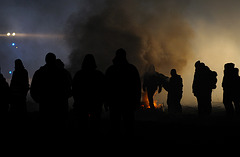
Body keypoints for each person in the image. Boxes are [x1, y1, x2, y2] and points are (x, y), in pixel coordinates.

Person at [105, 48, 141, 137]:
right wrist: (137, 100)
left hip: (115, 101)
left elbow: (106, 86)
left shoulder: (111, 69)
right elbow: (137, 86)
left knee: (115, 124)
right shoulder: (132, 69)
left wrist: (106, 101)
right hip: (128, 101)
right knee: (128, 125)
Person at [30, 53, 72, 128]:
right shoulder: (63, 72)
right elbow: (71, 87)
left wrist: (38, 99)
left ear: (45, 60)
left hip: (45, 105)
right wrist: (65, 96)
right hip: (60, 105)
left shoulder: (40, 72)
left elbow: (33, 89)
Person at [72, 54, 104, 132]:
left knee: (82, 126)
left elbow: (74, 89)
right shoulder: (99, 75)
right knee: (95, 126)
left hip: (82, 104)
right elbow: (103, 89)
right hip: (95, 104)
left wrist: (77, 100)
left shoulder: (79, 74)